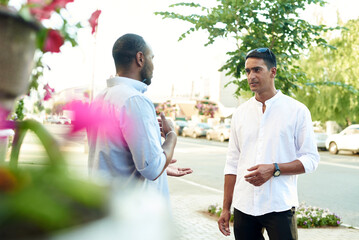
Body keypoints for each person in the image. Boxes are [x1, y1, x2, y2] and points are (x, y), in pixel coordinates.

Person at [217, 48, 320, 240]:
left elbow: (311, 159)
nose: (251, 76)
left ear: (273, 71)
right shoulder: (240, 113)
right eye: (248, 71)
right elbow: (232, 162)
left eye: (257, 70)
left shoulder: (297, 111)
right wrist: (225, 208)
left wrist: (274, 169)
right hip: (244, 206)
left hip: (279, 205)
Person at [88, 33, 192, 202]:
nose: (154, 65)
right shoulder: (134, 100)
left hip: (107, 207)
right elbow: (152, 168)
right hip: (133, 214)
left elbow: (117, 159)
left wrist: (162, 166)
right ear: (140, 58)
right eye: (152, 58)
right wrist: (171, 135)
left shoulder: (100, 98)